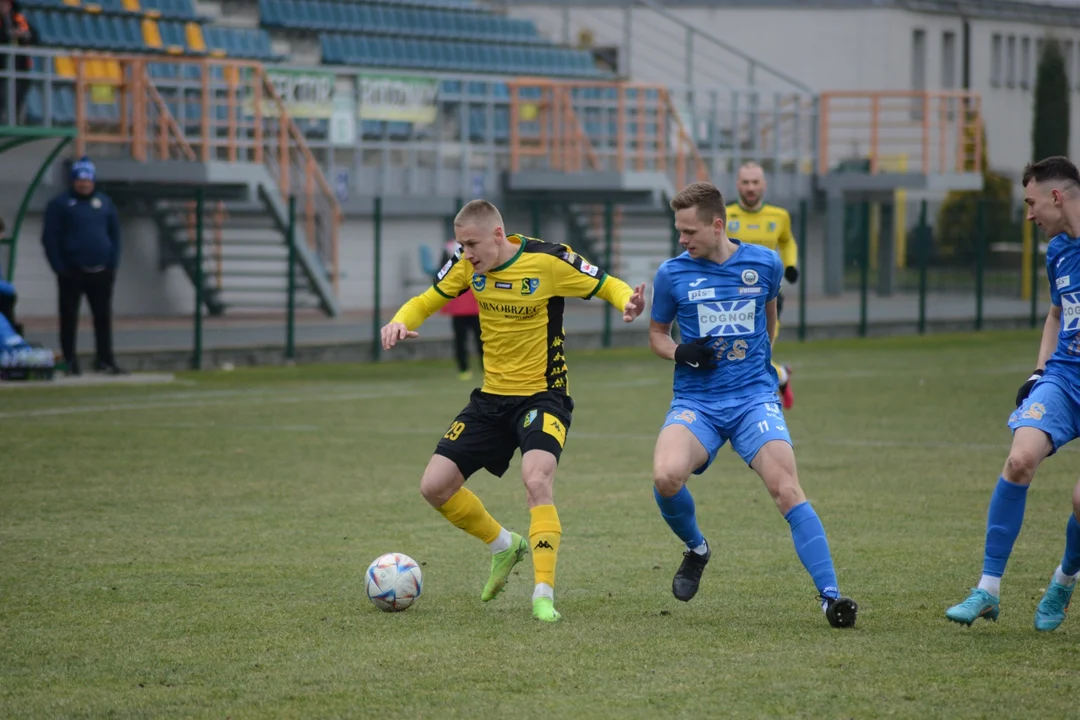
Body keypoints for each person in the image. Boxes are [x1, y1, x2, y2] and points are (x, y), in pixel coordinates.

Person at [380, 199, 646, 622]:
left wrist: (626, 303)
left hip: (544, 395)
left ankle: (543, 594)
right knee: (434, 487)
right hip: (490, 399)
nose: (467, 253)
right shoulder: (467, 265)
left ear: (498, 235)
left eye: (472, 244)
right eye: (463, 246)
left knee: (536, 479)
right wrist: (398, 319)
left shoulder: (549, 260)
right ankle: (505, 547)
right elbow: (427, 299)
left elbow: (606, 283)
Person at [648, 181, 857, 628]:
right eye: (678, 231)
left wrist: (763, 371)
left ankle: (831, 597)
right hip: (697, 402)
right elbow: (657, 335)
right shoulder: (672, 274)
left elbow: (770, 321)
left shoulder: (765, 263)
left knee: (786, 489)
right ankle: (697, 549)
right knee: (666, 477)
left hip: (752, 400)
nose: (682, 240)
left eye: (689, 232)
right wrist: (679, 352)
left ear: (717, 224)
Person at [945, 155, 1080, 631]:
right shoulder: (1058, 250)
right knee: (1019, 459)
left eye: (1031, 202)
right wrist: (1039, 370)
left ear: (1056, 197)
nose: (1029, 214)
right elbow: (1058, 314)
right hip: (1064, 377)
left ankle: (1064, 580)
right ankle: (987, 589)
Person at [41, 156, 126, 376]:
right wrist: (60, 267)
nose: (84, 184)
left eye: (88, 180)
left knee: (103, 317)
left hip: (102, 271)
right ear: (73, 181)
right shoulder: (60, 204)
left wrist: (112, 263)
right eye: (80, 180)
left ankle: (105, 359)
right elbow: (50, 238)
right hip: (72, 271)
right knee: (69, 317)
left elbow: (115, 234)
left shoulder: (105, 203)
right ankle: (70, 360)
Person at [726, 162, 799, 409]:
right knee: (738, 357)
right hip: (732, 298)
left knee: (756, 356)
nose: (750, 187)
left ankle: (759, 408)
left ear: (763, 186)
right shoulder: (724, 216)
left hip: (769, 298)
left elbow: (787, 242)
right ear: (737, 185)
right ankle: (781, 376)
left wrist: (790, 265)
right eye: (745, 182)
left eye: (755, 182)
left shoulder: (779, 216)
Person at [437, 238, 483, 381]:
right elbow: (442, 272)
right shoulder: (450, 248)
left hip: (476, 301)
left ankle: (485, 368)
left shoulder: (481, 245)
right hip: (460, 303)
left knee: (482, 339)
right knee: (462, 339)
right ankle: (464, 368)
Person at [0, 0, 36, 126]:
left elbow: (34, 37)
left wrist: (23, 35)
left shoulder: (19, 19)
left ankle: (15, 123)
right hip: (2, 69)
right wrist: (7, 35)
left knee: (18, 98)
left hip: (20, 69)